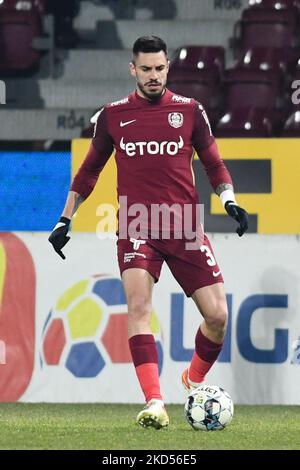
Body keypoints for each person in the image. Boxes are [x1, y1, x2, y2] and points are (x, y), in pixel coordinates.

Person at [49, 35, 248, 430]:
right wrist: (64, 218)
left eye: (159, 68)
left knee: (219, 316)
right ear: (133, 69)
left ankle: (192, 380)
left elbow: (214, 163)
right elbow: (89, 172)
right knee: (139, 308)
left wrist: (229, 199)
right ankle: (155, 402)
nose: (153, 76)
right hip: (137, 224)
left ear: (168, 66)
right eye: (146, 69)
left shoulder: (190, 111)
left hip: (186, 226)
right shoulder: (113, 115)